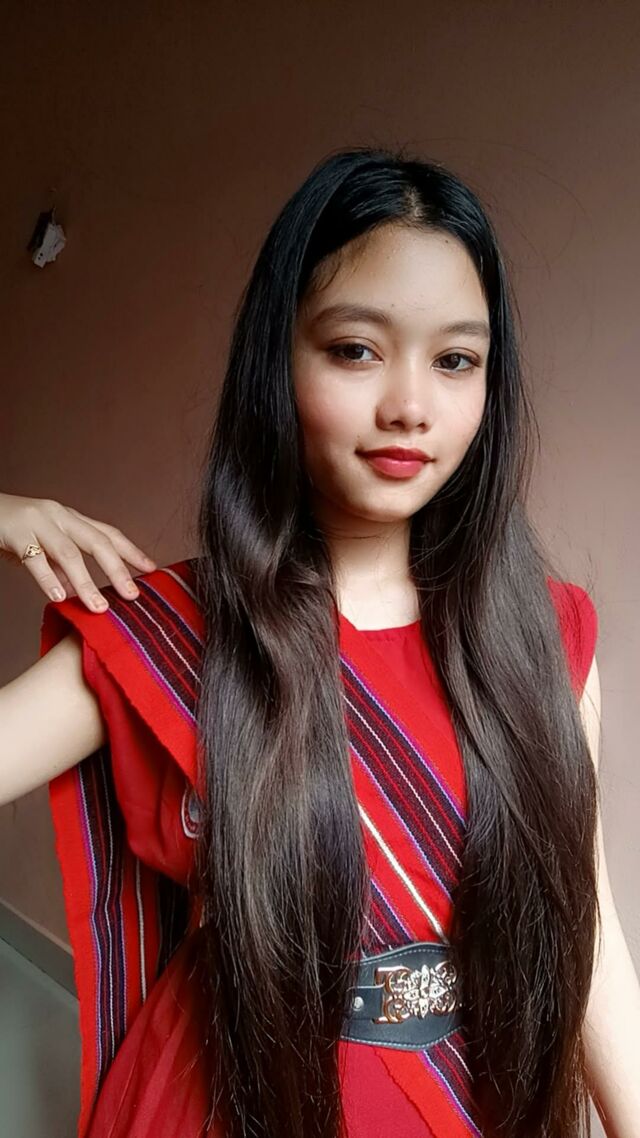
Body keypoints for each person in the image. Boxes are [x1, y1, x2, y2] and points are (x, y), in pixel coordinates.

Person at [0, 146, 638, 1138]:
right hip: (226, 1097)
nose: (410, 406)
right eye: (354, 349)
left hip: (467, 1097)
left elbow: (583, 928)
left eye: (455, 360)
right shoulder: (170, 631)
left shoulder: (546, 638)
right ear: (278, 360)